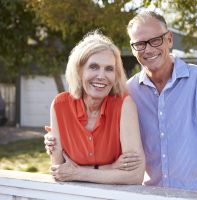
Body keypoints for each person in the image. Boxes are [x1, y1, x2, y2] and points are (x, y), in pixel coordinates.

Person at [45, 11, 197, 200]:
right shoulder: (129, 92)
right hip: (149, 195)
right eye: (139, 44)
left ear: (169, 39)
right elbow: (97, 130)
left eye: (155, 40)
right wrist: (59, 140)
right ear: (133, 49)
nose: (148, 49)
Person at [47, 30, 145, 184]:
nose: (102, 76)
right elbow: (59, 171)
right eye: (93, 67)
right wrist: (110, 168)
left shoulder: (124, 105)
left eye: (109, 69)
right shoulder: (60, 106)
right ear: (79, 71)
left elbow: (135, 176)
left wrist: (78, 172)